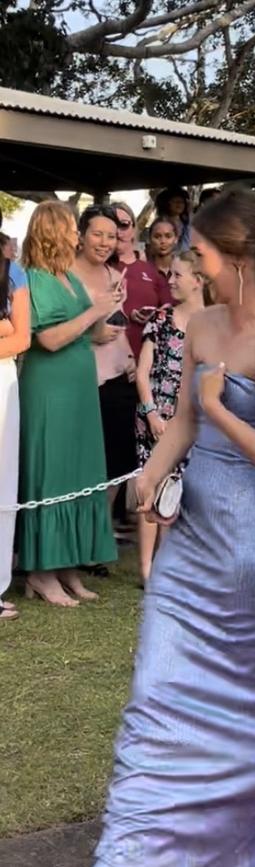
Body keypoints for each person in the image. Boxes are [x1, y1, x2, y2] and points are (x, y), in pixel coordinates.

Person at [94, 188, 255, 867]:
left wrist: (220, 405)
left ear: (238, 256)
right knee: (155, 689)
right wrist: (152, 475)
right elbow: (182, 421)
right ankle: (139, 849)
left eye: (204, 252)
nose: (195, 263)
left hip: (250, 547)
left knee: (245, 704)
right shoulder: (201, 324)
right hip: (192, 540)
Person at [18, 201, 119, 606]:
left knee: (79, 471)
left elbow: (83, 334)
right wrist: (94, 310)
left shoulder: (69, 278)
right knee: (54, 472)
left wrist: (105, 312)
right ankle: (41, 572)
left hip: (79, 387)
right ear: (51, 232)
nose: (78, 236)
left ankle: (67, 565)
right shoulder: (35, 277)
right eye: (71, 230)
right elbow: (48, 339)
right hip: (50, 389)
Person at [134, 250, 204, 584]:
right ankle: (147, 568)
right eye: (170, 274)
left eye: (178, 275)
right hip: (155, 417)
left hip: (192, 421)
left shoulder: (214, 324)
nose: (171, 281)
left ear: (198, 281)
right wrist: (150, 414)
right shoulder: (161, 319)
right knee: (151, 486)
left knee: (180, 492)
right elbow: (143, 371)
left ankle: (171, 566)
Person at [73, 205, 137, 526]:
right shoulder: (64, 274)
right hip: (79, 380)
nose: (104, 242)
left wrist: (130, 360)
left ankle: (99, 535)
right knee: (81, 464)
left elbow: (119, 326)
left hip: (116, 379)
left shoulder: (115, 276)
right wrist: (91, 334)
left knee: (117, 464)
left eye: (111, 236)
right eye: (97, 234)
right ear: (81, 235)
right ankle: (78, 535)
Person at [0, 253, 30, 621]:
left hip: (1, 383)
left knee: (1, 480)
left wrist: (7, 329)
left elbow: (21, 335)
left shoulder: (11, 270)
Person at [111, 201, 173, 360]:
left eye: (123, 225)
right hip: (110, 361)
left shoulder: (150, 270)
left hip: (147, 360)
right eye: (112, 225)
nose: (118, 232)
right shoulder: (100, 268)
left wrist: (154, 314)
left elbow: (170, 306)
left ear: (133, 229)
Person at [154, 185, 191, 252]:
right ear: (167, 203)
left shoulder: (187, 223)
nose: (179, 204)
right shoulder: (160, 223)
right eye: (176, 201)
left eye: (182, 202)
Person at [148, 217, 178, 287]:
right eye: (157, 237)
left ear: (176, 239)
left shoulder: (185, 270)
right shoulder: (142, 270)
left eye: (168, 236)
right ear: (150, 239)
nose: (163, 241)